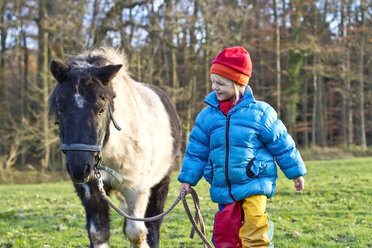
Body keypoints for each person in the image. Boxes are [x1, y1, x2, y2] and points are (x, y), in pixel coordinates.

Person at [178, 46, 307, 248]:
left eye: (221, 83)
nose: (215, 87)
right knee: (226, 235)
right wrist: (187, 180)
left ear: (239, 83)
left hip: (255, 182)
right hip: (224, 186)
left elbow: (283, 145)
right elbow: (196, 152)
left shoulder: (260, 113)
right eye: (213, 82)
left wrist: (296, 173)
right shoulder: (206, 117)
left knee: (255, 229)